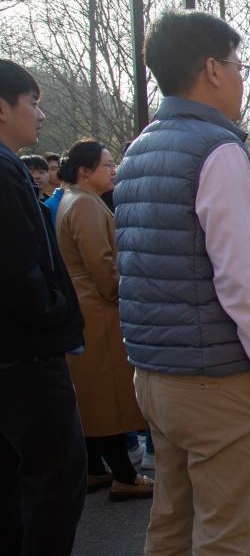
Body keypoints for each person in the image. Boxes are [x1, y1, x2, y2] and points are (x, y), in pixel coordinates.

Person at [115, 10, 250, 556]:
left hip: (155, 374)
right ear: (212, 69)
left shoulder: (138, 150)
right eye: (239, 66)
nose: (240, 79)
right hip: (215, 378)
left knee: (171, 520)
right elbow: (243, 274)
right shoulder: (217, 150)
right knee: (229, 538)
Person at [0, 60, 88, 556]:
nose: (40, 114)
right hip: (26, 355)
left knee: (18, 479)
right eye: (32, 103)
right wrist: (57, 311)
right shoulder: (5, 169)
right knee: (56, 475)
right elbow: (17, 270)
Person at [55, 139, 152, 500]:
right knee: (107, 396)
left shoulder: (75, 199)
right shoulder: (84, 204)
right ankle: (124, 476)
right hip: (97, 309)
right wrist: (118, 292)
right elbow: (101, 262)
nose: (114, 170)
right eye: (107, 164)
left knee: (94, 395)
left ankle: (96, 468)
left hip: (86, 305)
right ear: (84, 170)